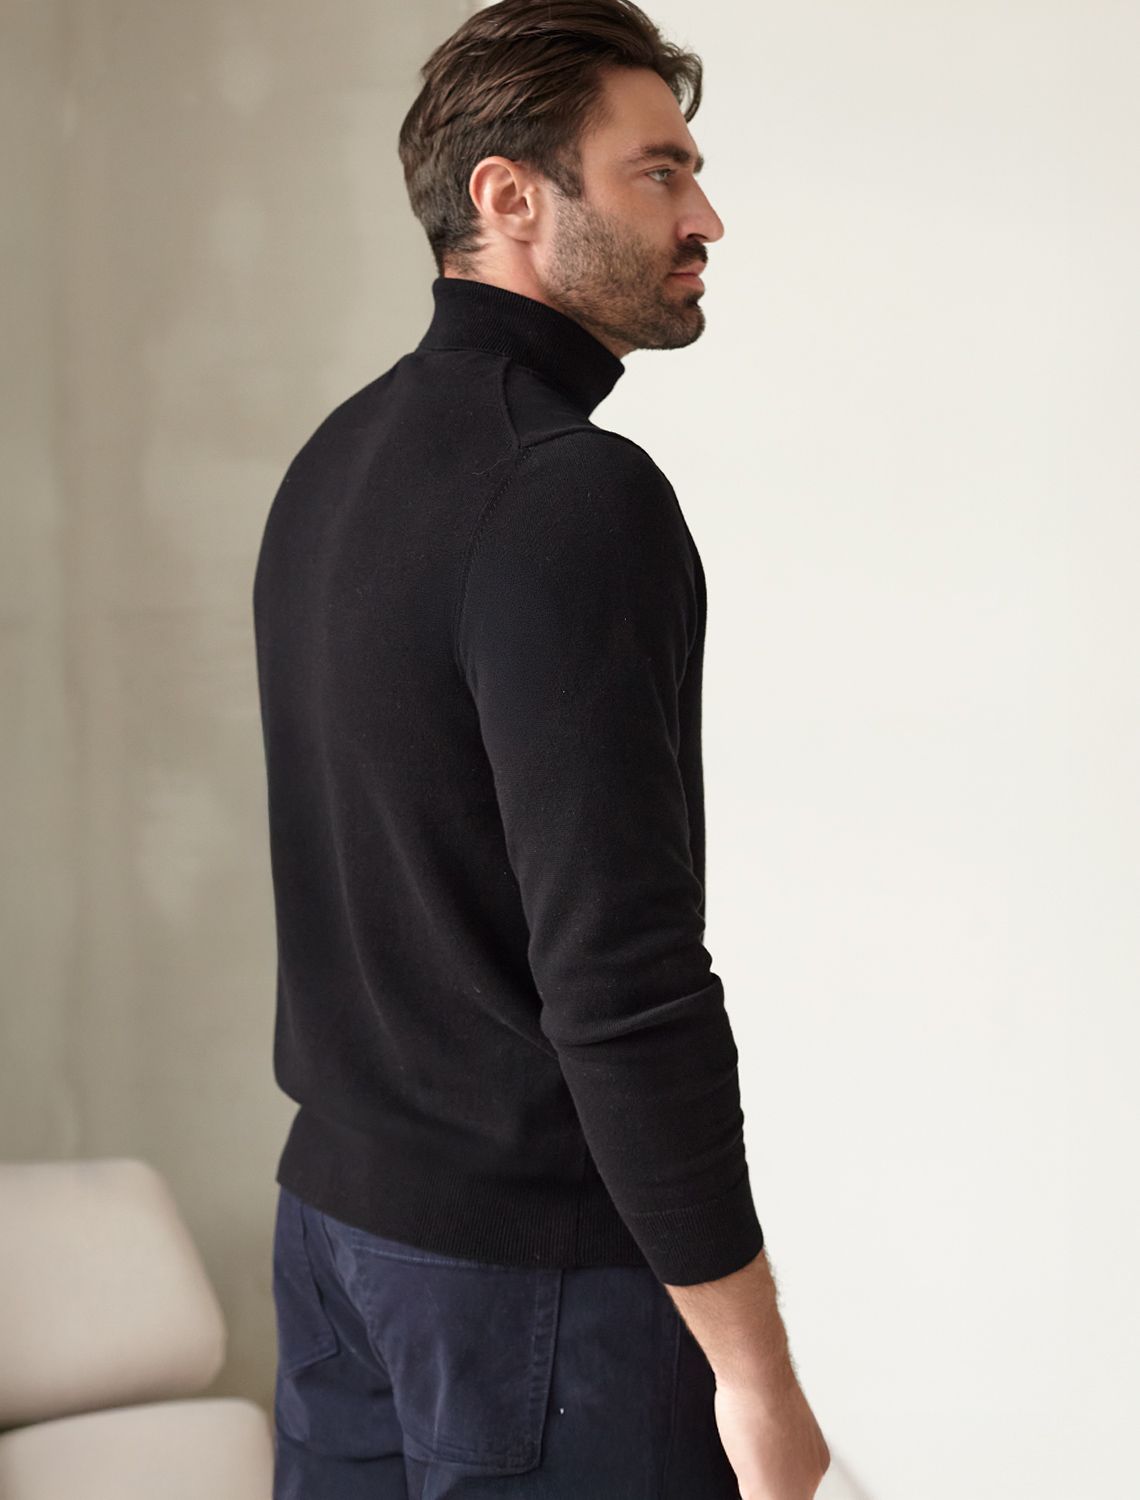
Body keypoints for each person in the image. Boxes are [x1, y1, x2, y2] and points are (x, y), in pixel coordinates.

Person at [252, 1, 830, 1496]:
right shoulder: (571, 493)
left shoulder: (335, 459)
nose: (705, 218)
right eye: (659, 171)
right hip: (530, 1292)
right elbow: (623, 977)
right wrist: (756, 1374)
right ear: (510, 197)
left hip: (333, 1241)